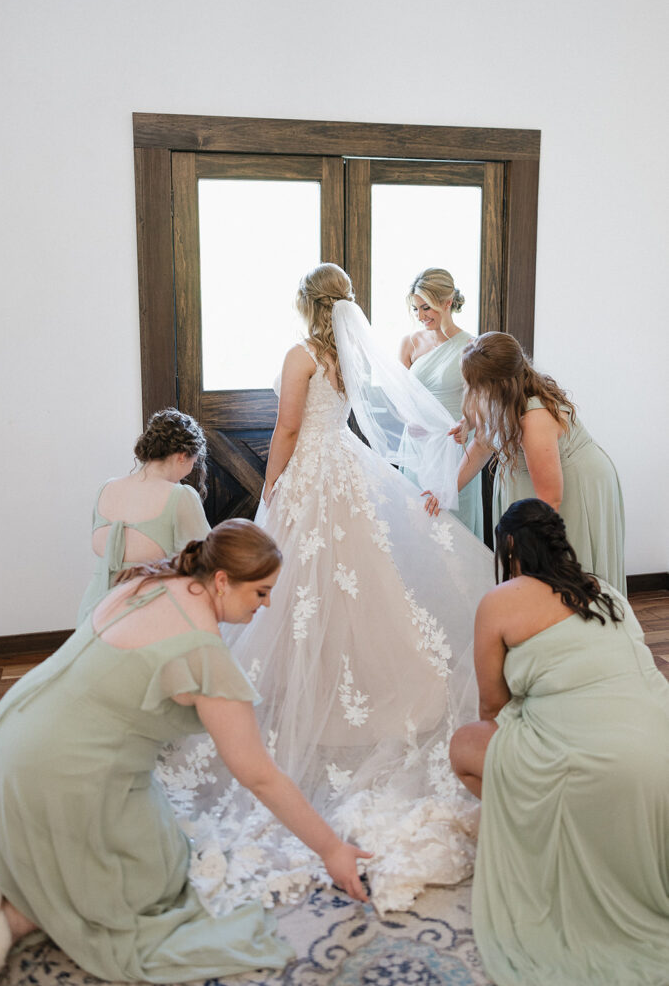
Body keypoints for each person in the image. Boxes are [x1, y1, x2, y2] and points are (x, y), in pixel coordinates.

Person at [161, 263, 495, 915]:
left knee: (305, 591)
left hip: (314, 473)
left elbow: (286, 429)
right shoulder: (346, 354)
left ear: (304, 304)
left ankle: (303, 700)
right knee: (359, 591)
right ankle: (357, 693)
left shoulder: (301, 353)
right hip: (347, 468)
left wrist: (269, 491)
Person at [0, 520, 370, 984]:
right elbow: (258, 775)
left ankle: (23, 879)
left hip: (12, 727)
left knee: (164, 848)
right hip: (63, 767)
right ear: (223, 581)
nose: (265, 606)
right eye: (261, 593)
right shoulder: (201, 649)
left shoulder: (152, 581)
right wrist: (331, 848)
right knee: (143, 891)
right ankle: (10, 915)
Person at [449, 499, 669, 985]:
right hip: (660, 748)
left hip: (592, 763)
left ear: (509, 548)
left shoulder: (502, 599)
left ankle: (546, 822)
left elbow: (491, 707)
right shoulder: (606, 589)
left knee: (463, 747)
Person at [446, 331, 625, 594]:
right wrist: (446, 491)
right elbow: (483, 444)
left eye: (475, 384)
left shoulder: (534, 418)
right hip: (534, 484)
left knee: (560, 572)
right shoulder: (499, 398)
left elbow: (550, 499)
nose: (469, 390)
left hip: (573, 486)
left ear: (498, 385)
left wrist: (521, 549)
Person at [77, 408, 211, 625]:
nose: (192, 467)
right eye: (193, 461)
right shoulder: (180, 496)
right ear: (183, 456)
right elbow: (205, 562)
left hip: (92, 614)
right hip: (146, 615)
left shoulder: (107, 488)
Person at [399, 268, 482, 538]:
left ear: (447, 303)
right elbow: (400, 395)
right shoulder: (410, 343)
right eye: (416, 310)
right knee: (415, 528)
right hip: (416, 445)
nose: (421, 316)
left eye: (427, 308)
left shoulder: (471, 346)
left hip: (453, 447)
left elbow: (476, 403)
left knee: (452, 532)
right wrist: (408, 418)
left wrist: (466, 423)